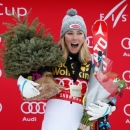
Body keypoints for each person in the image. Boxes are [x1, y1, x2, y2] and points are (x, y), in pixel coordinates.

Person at [17, 8, 116, 130]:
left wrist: (109, 107)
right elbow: (31, 74)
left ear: (84, 37)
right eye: (70, 33)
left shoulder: (91, 62)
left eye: (79, 33)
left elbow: (106, 90)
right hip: (54, 120)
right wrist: (22, 81)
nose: (75, 38)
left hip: (80, 121)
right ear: (63, 37)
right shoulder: (51, 57)